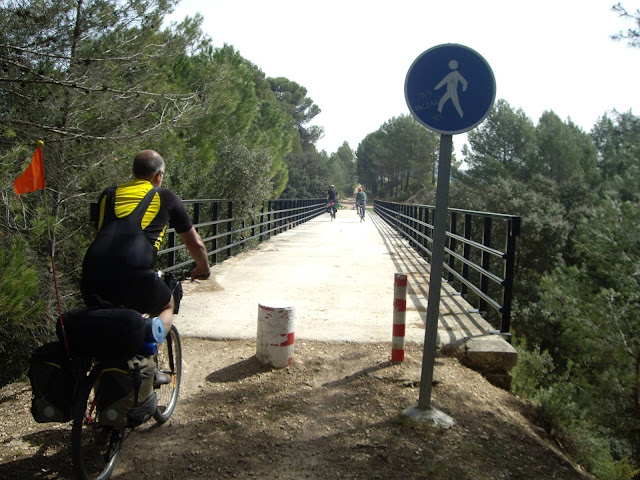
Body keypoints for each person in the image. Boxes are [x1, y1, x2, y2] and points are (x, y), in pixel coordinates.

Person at [81, 149, 211, 342]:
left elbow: (98, 235)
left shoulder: (108, 195)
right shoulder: (165, 197)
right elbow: (196, 245)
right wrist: (203, 269)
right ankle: (147, 351)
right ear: (158, 176)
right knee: (167, 304)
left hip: (92, 273)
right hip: (135, 273)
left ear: (134, 172)